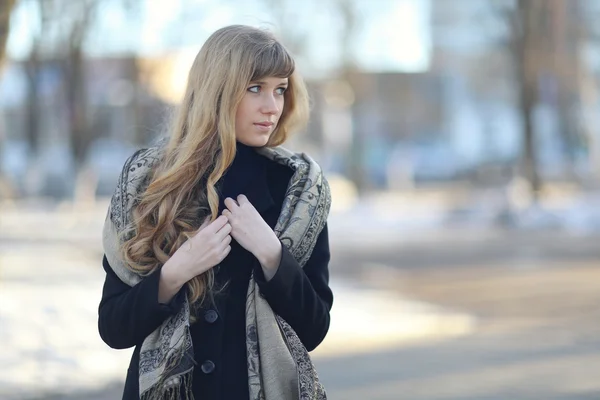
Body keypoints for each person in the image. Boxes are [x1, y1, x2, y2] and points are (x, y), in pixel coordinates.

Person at [98, 25, 333, 400]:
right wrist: (175, 272)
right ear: (217, 89)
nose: (272, 106)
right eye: (255, 88)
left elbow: (315, 328)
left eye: (280, 89)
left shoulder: (298, 191)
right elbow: (113, 327)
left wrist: (273, 255)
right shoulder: (148, 184)